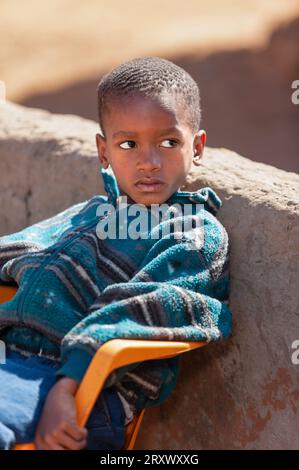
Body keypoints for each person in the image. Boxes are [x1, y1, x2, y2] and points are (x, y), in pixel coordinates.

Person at [0, 56, 232, 450]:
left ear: (197, 147)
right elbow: (19, 252)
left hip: (78, 386)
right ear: (104, 152)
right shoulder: (90, 214)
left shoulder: (192, 233)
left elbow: (143, 308)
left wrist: (68, 388)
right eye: (129, 143)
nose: (149, 161)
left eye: (169, 142)